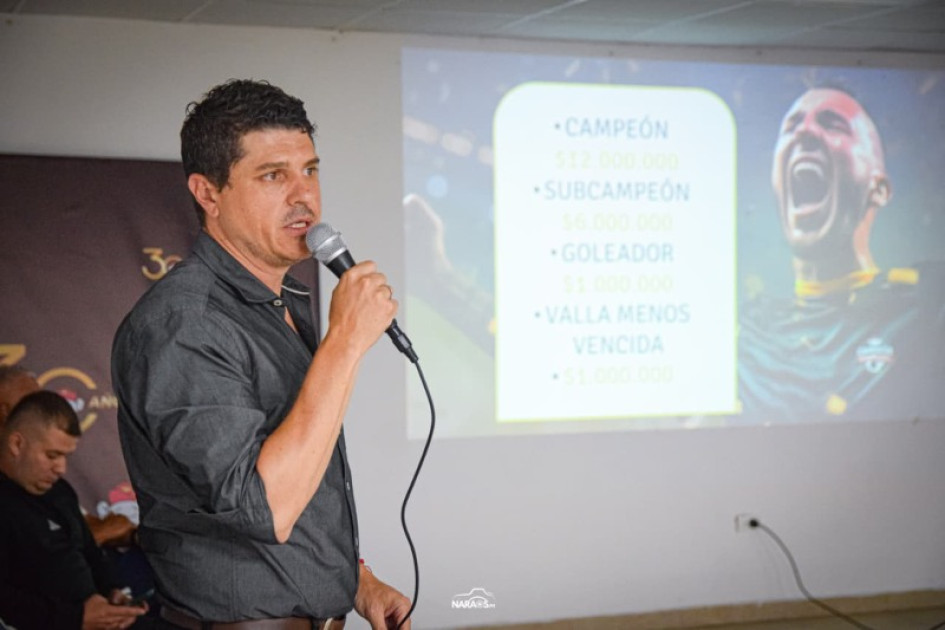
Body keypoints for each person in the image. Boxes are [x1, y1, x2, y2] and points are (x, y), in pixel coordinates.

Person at [112, 79, 411, 629]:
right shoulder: (185, 323)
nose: (305, 197)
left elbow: (301, 474)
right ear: (208, 194)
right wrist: (345, 342)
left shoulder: (283, 299)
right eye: (273, 175)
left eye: (310, 170)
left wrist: (355, 578)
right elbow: (262, 507)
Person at [738, 86, 944, 421]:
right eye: (791, 127)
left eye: (832, 124)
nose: (804, 131)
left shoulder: (926, 307)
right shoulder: (745, 334)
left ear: (879, 189)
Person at [0, 390, 148, 629]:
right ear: (17, 443)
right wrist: (75, 618)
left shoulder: (60, 491)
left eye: (66, 456)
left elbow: (89, 552)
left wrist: (112, 593)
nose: (61, 468)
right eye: (52, 455)